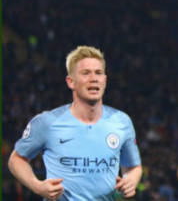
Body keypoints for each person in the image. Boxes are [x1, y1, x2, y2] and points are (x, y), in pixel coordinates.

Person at [8, 45, 142, 201]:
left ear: (104, 80)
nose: (94, 78)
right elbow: (16, 160)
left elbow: (133, 167)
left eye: (98, 73)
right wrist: (37, 186)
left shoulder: (122, 121)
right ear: (71, 82)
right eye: (86, 73)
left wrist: (130, 182)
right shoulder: (47, 122)